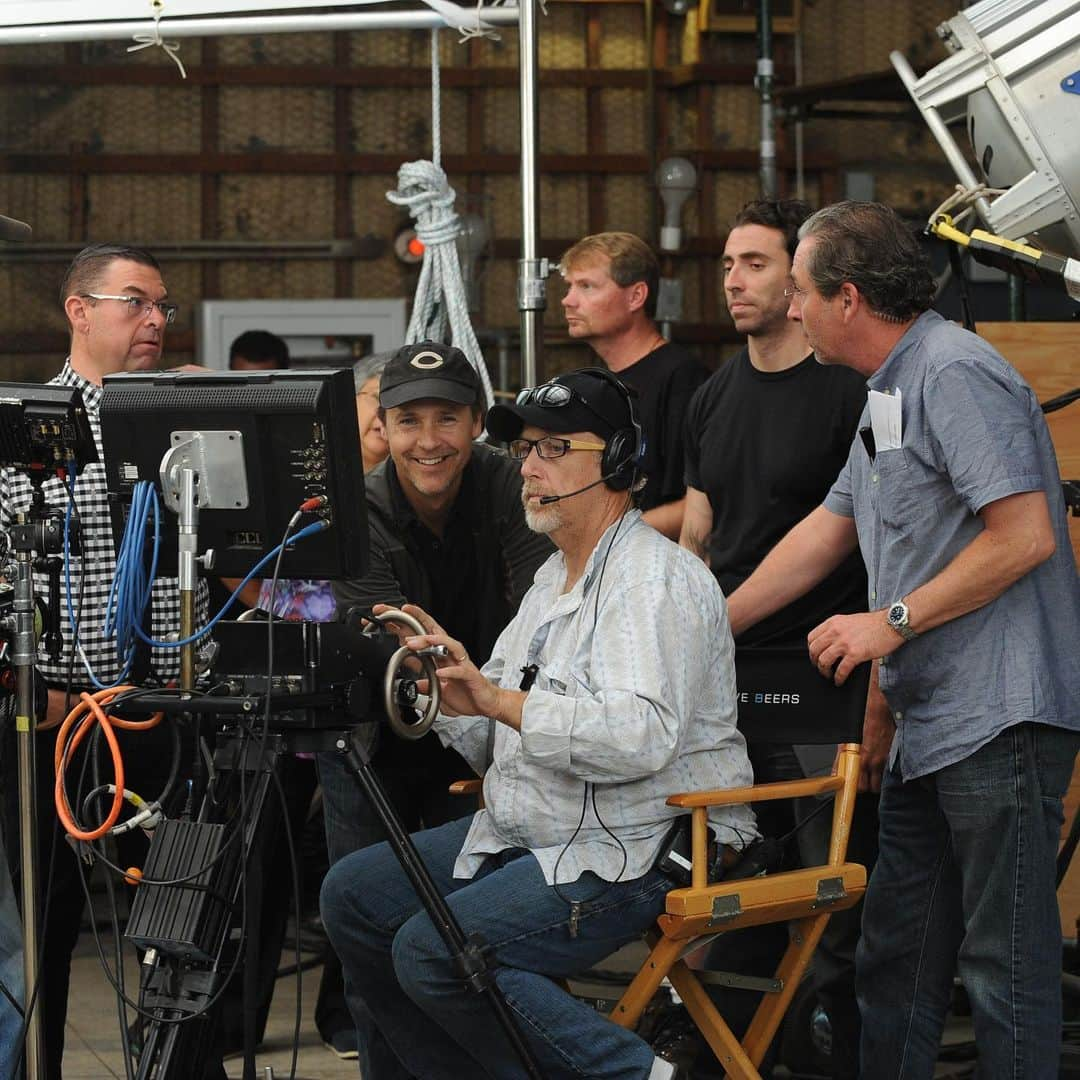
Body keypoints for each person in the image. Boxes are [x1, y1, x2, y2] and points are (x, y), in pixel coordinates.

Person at [320, 367, 758, 1079]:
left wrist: (497, 703)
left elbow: (638, 737)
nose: (528, 467)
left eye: (554, 449)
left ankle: (640, 1075)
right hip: (544, 825)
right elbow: (498, 732)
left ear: (617, 461)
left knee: (433, 952)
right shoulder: (552, 580)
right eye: (526, 450)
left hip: (642, 839)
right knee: (353, 897)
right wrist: (446, 692)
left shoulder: (653, 582)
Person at [726, 200, 1080, 1079]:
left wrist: (886, 625)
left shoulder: (953, 373)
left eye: (801, 291)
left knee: (1004, 965)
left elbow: (1025, 535)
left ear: (848, 297)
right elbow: (831, 529)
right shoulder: (886, 387)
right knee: (897, 954)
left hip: (1001, 718)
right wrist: (703, 624)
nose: (792, 309)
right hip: (931, 723)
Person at [679, 198, 879, 1077]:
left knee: (828, 886)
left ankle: (824, 1054)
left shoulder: (852, 390)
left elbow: (870, 537)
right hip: (727, 677)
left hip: (823, 675)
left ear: (801, 283)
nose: (734, 280)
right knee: (734, 879)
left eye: (756, 263)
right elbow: (698, 533)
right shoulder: (716, 393)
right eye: (728, 263)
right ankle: (731, 1052)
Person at [0, 242, 207, 1080]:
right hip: (54, 723)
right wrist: (27, 693)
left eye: (163, 305)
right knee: (41, 938)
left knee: (185, 929)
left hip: (168, 713)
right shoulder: (17, 430)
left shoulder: (182, 425)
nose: (156, 319)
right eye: (136, 302)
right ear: (79, 311)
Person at [321, 340, 553, 1072]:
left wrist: (497, 706)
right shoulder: (351, 505)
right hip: (374, 736)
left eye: (447, 418)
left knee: (479, 934)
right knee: (364, 933)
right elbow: (395, 641)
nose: (428, 441)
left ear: (477, 421)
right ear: (382, 427)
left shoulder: (514, 486)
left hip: (488, 728)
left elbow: (544, 614)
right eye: (409, 420)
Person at [560, 231, 706, 539]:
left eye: (586, 286)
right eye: (569, 286)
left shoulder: (682, 378)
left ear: (636, 296)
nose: (568, 300)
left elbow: (699, 501)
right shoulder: (598, 383)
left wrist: (607, 541)